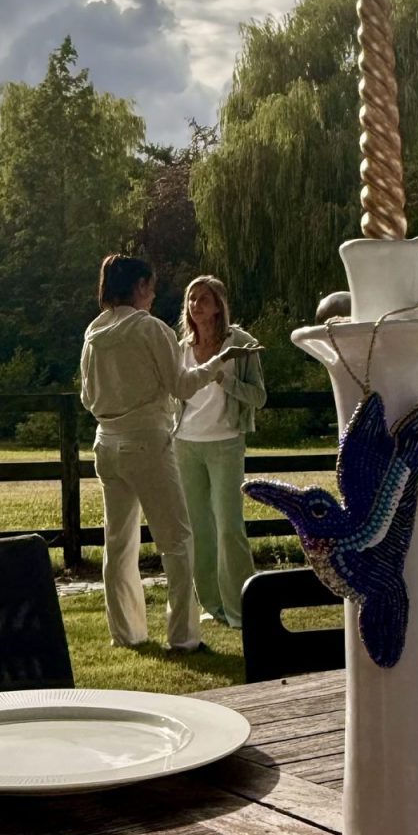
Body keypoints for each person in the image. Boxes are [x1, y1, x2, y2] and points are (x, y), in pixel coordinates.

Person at [80, 254, 233, 651]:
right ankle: (183, 637)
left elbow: (86, 396)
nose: (152, 294)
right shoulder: (151, 329)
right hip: (147, 441)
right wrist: (218, 364)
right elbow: (181, 386)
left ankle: (126, 633)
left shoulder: (93, 332)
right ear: (138, 287)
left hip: (106, 442)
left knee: (118, 543)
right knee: (177, 541)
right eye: (150, 287)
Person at [175, 276, 265, 628]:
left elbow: (259, 397)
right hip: (186, 444)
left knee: (229, 528)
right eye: (192, 298)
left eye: (204, 299)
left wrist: (221, 377)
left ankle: (242, 608)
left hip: (226, 443)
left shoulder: (240, 343)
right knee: (198, 530)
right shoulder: (181, 347)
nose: (196, 305)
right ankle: (212, 605)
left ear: (218, 306)